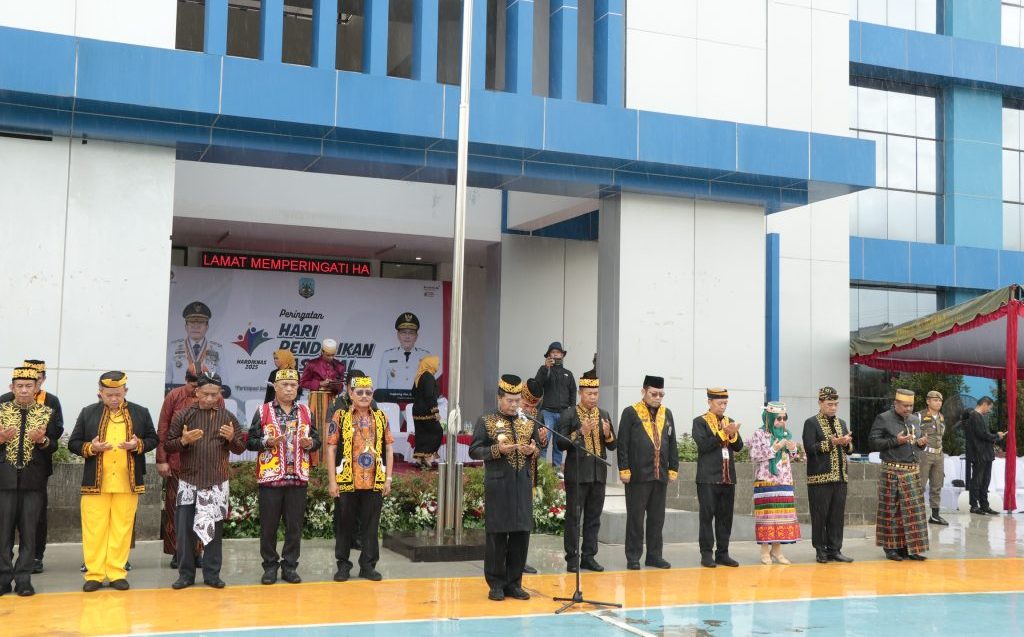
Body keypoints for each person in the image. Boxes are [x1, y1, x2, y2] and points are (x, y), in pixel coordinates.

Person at [68, 371, 158, 592]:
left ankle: (117, 572)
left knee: (122, 528)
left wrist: (138, 445)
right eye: (109, 395)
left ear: (125, 391)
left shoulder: (140, 412)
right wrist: (92, 448)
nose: (114, 399)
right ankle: (95, 575)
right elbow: (73, 443)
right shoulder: (88, 413)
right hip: (96, 483)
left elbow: (153, 439)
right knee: (94, 529)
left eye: (118, 394)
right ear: (100, 393)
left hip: (128, 482)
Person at [165, 373, 246, 589]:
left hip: (216, 481)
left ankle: (212, 574)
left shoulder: (228, 416)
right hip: (189, 481)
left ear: (220, 394)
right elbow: (168, 445)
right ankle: (185, 575)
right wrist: (183, 440)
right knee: (185, 531)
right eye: (206, 394)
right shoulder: (184, 415)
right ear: (197, 392)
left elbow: (240, 447)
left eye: (215, 394)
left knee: (214, 531)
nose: (210, 399)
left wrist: (231, 439)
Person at [469, 375, 540, 601]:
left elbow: (536, 447)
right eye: (510, 400)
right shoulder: (486, 420)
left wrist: (533, 450)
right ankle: (496, 583)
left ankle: (514, 583)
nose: (514, 405)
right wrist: (497, 450)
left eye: (517, 400)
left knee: (521, 535)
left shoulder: (528, 421)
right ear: (499, 398)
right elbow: (474, 450)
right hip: (499, 486)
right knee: (498, 536)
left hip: (522, 485)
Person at [247, 368, 320, 585]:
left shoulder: (306, 411)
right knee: (269, 527)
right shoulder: (263, 411)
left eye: (293, 385)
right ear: (276, 388)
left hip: (297, 478)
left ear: (298, 388)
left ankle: (290, 566)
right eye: (284, 385)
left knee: (294, 526)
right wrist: (266, 442)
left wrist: (311, 444)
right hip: (271, 478)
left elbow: (316, 439)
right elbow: (250, 441)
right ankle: (270, 566)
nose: (289, 389)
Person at [326, 375, 394, 583]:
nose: (364, 396)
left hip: (374, 480)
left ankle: (368, 565)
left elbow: (389, 448)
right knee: (344, 524)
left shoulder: (381, 416)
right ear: (351, 394)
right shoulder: (340, 416)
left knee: (371, 526)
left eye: (368, 392)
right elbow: (331, 448)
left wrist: (388, 478)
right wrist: (332, 480)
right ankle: (343, 565)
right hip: (347, 479)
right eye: (360, 392)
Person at [156, 364, 224, 568]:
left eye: (201, 385)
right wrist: (162, 459)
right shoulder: (174, 396)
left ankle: (198, 552)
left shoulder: (217, 399)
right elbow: (163, 429)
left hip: (206, 467)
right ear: (187, 381)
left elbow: (224, 429)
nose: (198, 391)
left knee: (204, 512)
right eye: (194, 385)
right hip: (178, 464)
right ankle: (179, 553)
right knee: (178, 512)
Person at [0, 367, 60, 597]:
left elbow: (54, 445)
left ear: (36, 388)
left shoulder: (47, 412)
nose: (24, 390)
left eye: (28, 386)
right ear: (11, 388)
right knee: (2, 532)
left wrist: (43, 439)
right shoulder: (1, 410)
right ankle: (3, 578)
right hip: (4, 480)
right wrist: (2, 438)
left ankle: (24, 579)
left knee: (29, 531)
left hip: (33, 480)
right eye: (19, 386)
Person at [617, 375, 679, 571]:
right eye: (654, 394)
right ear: (644, 392)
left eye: (661, 394)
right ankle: (633, 556)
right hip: (637, 476)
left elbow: (673, 443)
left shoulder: (667, 414)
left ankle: (654, 555)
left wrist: (673, 468)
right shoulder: (630, 413)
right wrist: (624, 468)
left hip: (659, 474)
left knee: (657, 518)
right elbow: (622, 444)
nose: (657, 398)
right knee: (635, 518)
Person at [556, 371, 615, 573]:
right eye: (589, 393)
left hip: (598, 474)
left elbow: (613, 445)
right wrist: (580, 432)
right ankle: (572, 558)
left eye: (596, 393)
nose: (593, 397)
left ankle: (589, 556)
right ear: (581, 393)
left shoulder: (604, 414)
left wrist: (607, 435)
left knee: (594, 517)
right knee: (574, 517)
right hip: (578, 474)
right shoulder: (569, 414)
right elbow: (560, 443)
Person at [869, 388, 930, 561]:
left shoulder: (914, 420)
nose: (908, 409)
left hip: (912, 471)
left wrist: (920, 444)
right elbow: (873, 442)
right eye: (904, 406)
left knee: (913, 512)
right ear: (896, 403)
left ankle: (911, 548)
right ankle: (891, 548)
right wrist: (896, 440)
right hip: (892, 471)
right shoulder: (884, 418)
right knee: (892, 511)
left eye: (911, 406)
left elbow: (915, 445)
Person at [803, 386, 854, 564]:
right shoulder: (811, 423)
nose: (833, 408)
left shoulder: (841, 423)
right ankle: (820, 550)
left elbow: (849, 450)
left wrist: (846, 443)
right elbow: (810, 449)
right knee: (820, 515)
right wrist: (831, 443)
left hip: (840, 477)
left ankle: (835, 549)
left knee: (837, 515)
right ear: (820, 403)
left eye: (835, 404)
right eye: (829, 404)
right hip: (819, 478)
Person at [692, 387, 743, 568]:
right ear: (709, 402)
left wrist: (732, 433)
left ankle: (723, 553)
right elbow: (704, 445)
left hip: (727, 478)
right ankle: (706, 554)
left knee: (725, 517)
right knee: (707, 517)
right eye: (720, 403)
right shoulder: (700, 422)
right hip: (707, 478)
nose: (723, 407)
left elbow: (738, 447)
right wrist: (722, 434)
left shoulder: (730, 421)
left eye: (725, 403)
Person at [749, 402, 801, 565]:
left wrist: (792, 450)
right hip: (766, 481)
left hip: (784, 480)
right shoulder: (759, 434)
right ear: (769, 418)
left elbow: (794, 457)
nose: (782, 421)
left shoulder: (786, 434)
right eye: (778, 418)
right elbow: (754, 455)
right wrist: (775, 448)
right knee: (767, 517)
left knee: (781, 517)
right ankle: (765, 551)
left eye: (784, 418)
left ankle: (777, 550)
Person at [534, 342, 576, 472]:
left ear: (562, 355)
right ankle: (540, 469)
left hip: (564, 413)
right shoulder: (545, 370)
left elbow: (573, 392)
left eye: (558, 352)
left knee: (559, 444)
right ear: (548, 355)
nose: (555, 354)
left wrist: (571, 410)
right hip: (547, 412)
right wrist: (545, 368)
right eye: (552, 352)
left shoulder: (568, 374)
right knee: (543, 440)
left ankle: (556, 470)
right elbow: (536, 385)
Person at [519, 378, 547, 575]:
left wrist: (543, 441)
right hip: (509, 476)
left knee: (525, 521)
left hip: (529, 474)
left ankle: (521, 561)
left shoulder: (538, 415)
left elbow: (539, 443)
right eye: (526, 405)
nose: (529, 409)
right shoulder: (506, 415)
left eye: (532, 406)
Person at [167, 301, 225, 392]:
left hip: (207, 398)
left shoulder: (218, 350)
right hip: (179, 398)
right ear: (186, 326)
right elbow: (167, 378)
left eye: (201, 323)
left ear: (207, 327)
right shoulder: (172, 348)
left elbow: (223, 380)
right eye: (192, 322)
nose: (196, 326)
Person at [377, 312, 434, 397]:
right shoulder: (387, 356)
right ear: (398, 335)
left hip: (417, 407)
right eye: (403, 332)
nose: (407, 336)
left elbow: (429, 388)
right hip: (394, 408)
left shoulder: (426, 356)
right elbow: (381, 388)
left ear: (416, 336)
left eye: (411, 333)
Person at [966, 396, 1004, 515]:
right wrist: (996, 436)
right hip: (979, 454)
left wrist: (994, 436)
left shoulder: (980, 417)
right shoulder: (974, 415)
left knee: (985, 481)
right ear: (984, 404)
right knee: (977, 480)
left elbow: (984, 434)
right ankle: (974, 505)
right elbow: (982, 434)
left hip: (986, 454)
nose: (989, 410)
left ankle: (984, 505)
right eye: (989, 407)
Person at [914, 390, 948, 525]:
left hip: (938, 455)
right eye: (935, 400)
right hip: (924, 454)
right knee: (920, 485)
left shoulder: (941, 417)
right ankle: (916, 514)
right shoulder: (919, 416)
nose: (938, 402)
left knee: (937, 485)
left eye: (940, 400)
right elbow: (913, 434)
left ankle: (934, 515)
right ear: (928, 401)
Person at [411, 355, 442, 469]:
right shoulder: (428, 376)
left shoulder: (419, 376)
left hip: (417, 410)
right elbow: (429, 396)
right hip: (427, 410)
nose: (438, 365)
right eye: (436, 363)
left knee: (422, 433)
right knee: (437, 431)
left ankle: (419, 459)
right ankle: (428, 458)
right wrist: (435, 411)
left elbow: (413, 393)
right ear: (430, 364)